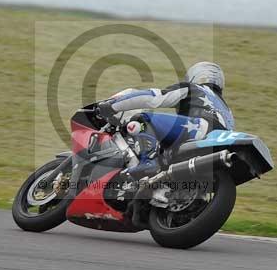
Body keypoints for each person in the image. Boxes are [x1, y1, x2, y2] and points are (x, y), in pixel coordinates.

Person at [95, 61, 234, 185]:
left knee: (142, 119)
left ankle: (147, 161)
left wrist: (112, 105)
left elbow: (155, 97)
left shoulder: (193, 88)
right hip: (216, 145)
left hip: (197, 129)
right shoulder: (227, 109)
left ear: (194, 76)